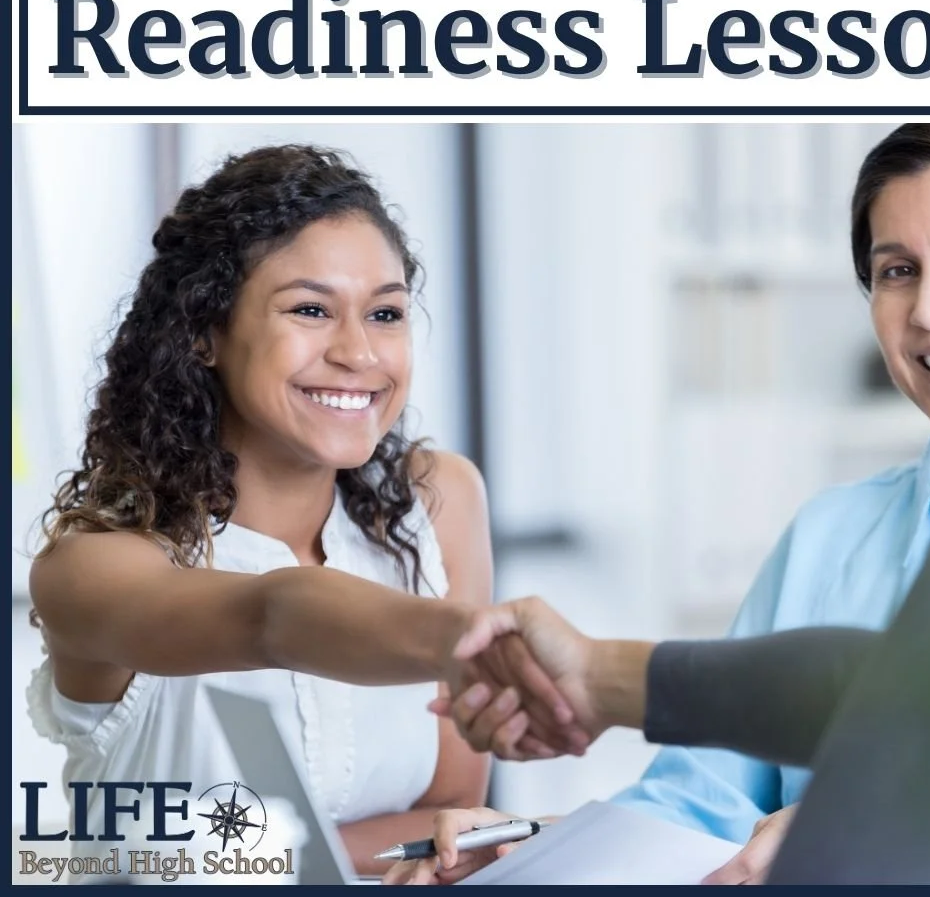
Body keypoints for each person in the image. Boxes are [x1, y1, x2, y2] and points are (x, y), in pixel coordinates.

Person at [394, 123, 930, 885]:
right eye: (896, 270)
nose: (928, 311)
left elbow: (897, 695)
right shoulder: (832, 534)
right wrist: (546, 840)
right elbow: (699, 807)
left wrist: (603, 678)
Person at [26, 144, 575, 879]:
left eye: (385, 313)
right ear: (204, 332)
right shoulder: (94, 567)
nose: (358, 353)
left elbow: (445, 810)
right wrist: (479, 640)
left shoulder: (437, 503)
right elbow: (272, 615)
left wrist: (438, 842)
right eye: (311, 310)